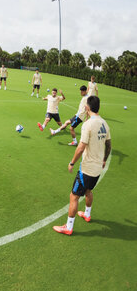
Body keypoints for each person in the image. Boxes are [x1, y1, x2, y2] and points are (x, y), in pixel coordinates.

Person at [53, 96, 111, 235]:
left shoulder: (88, 125)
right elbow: (108, 145)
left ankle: (69, 227)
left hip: (86, 169)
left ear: (87, 107)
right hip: (97, 169)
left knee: (74, 196)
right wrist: (104, 160)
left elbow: (80, 147)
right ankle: (87, 214)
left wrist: (72, 162)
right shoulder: (105, 124)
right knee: (88, 191)